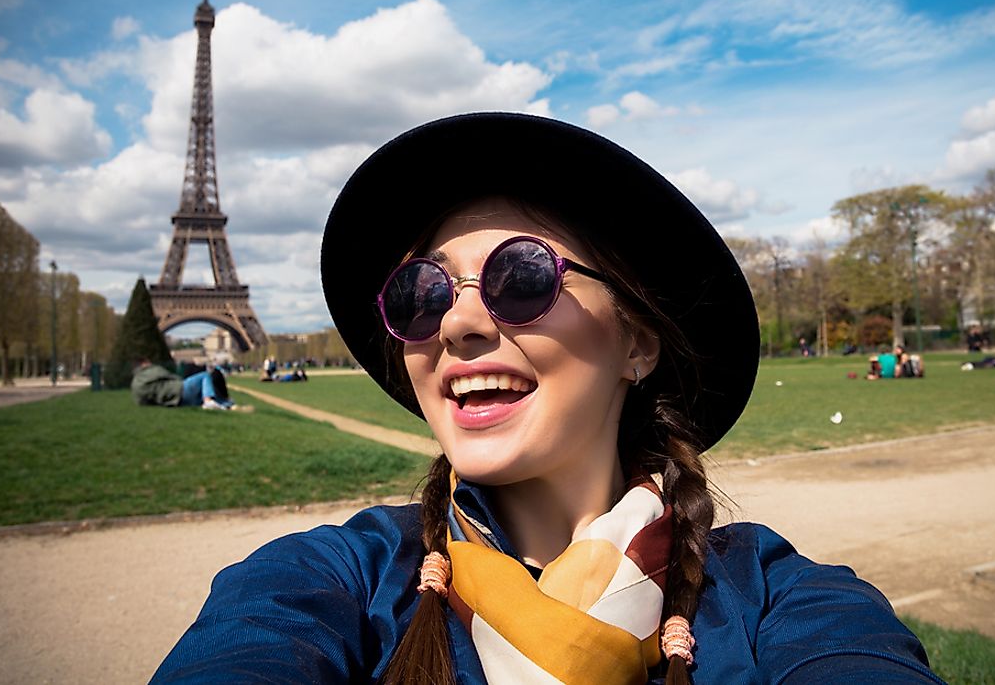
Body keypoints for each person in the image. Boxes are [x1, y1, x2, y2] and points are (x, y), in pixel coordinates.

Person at [152, 113, 938, 683]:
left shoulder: (774, 594)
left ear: (637, 341)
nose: (457, 321)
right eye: (422, 291)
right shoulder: (333, 577)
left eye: (521, 277)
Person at [131, 360, 241, 410]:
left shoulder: (136, 386)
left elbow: (142, 402)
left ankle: (226, 405)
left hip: (175, 402)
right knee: (205, 376)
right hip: (179, 390)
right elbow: (168, 375)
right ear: (144, 364)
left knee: (198, 397)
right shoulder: (151, 371)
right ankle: (211, 401)